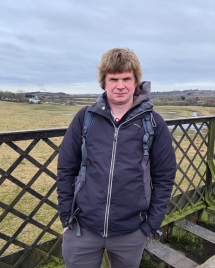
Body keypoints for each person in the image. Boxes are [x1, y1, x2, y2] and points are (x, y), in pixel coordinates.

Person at [57, 48, 177, 268]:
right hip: (82, 227)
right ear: (104, 82)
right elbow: (66, 168)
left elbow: (165, 177)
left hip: (131, 231)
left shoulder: (154, 123)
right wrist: (66, 217)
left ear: (136, 82)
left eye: (126, 78)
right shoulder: (85, 118)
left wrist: (150, 226)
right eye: (113, 79)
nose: (120, 85)